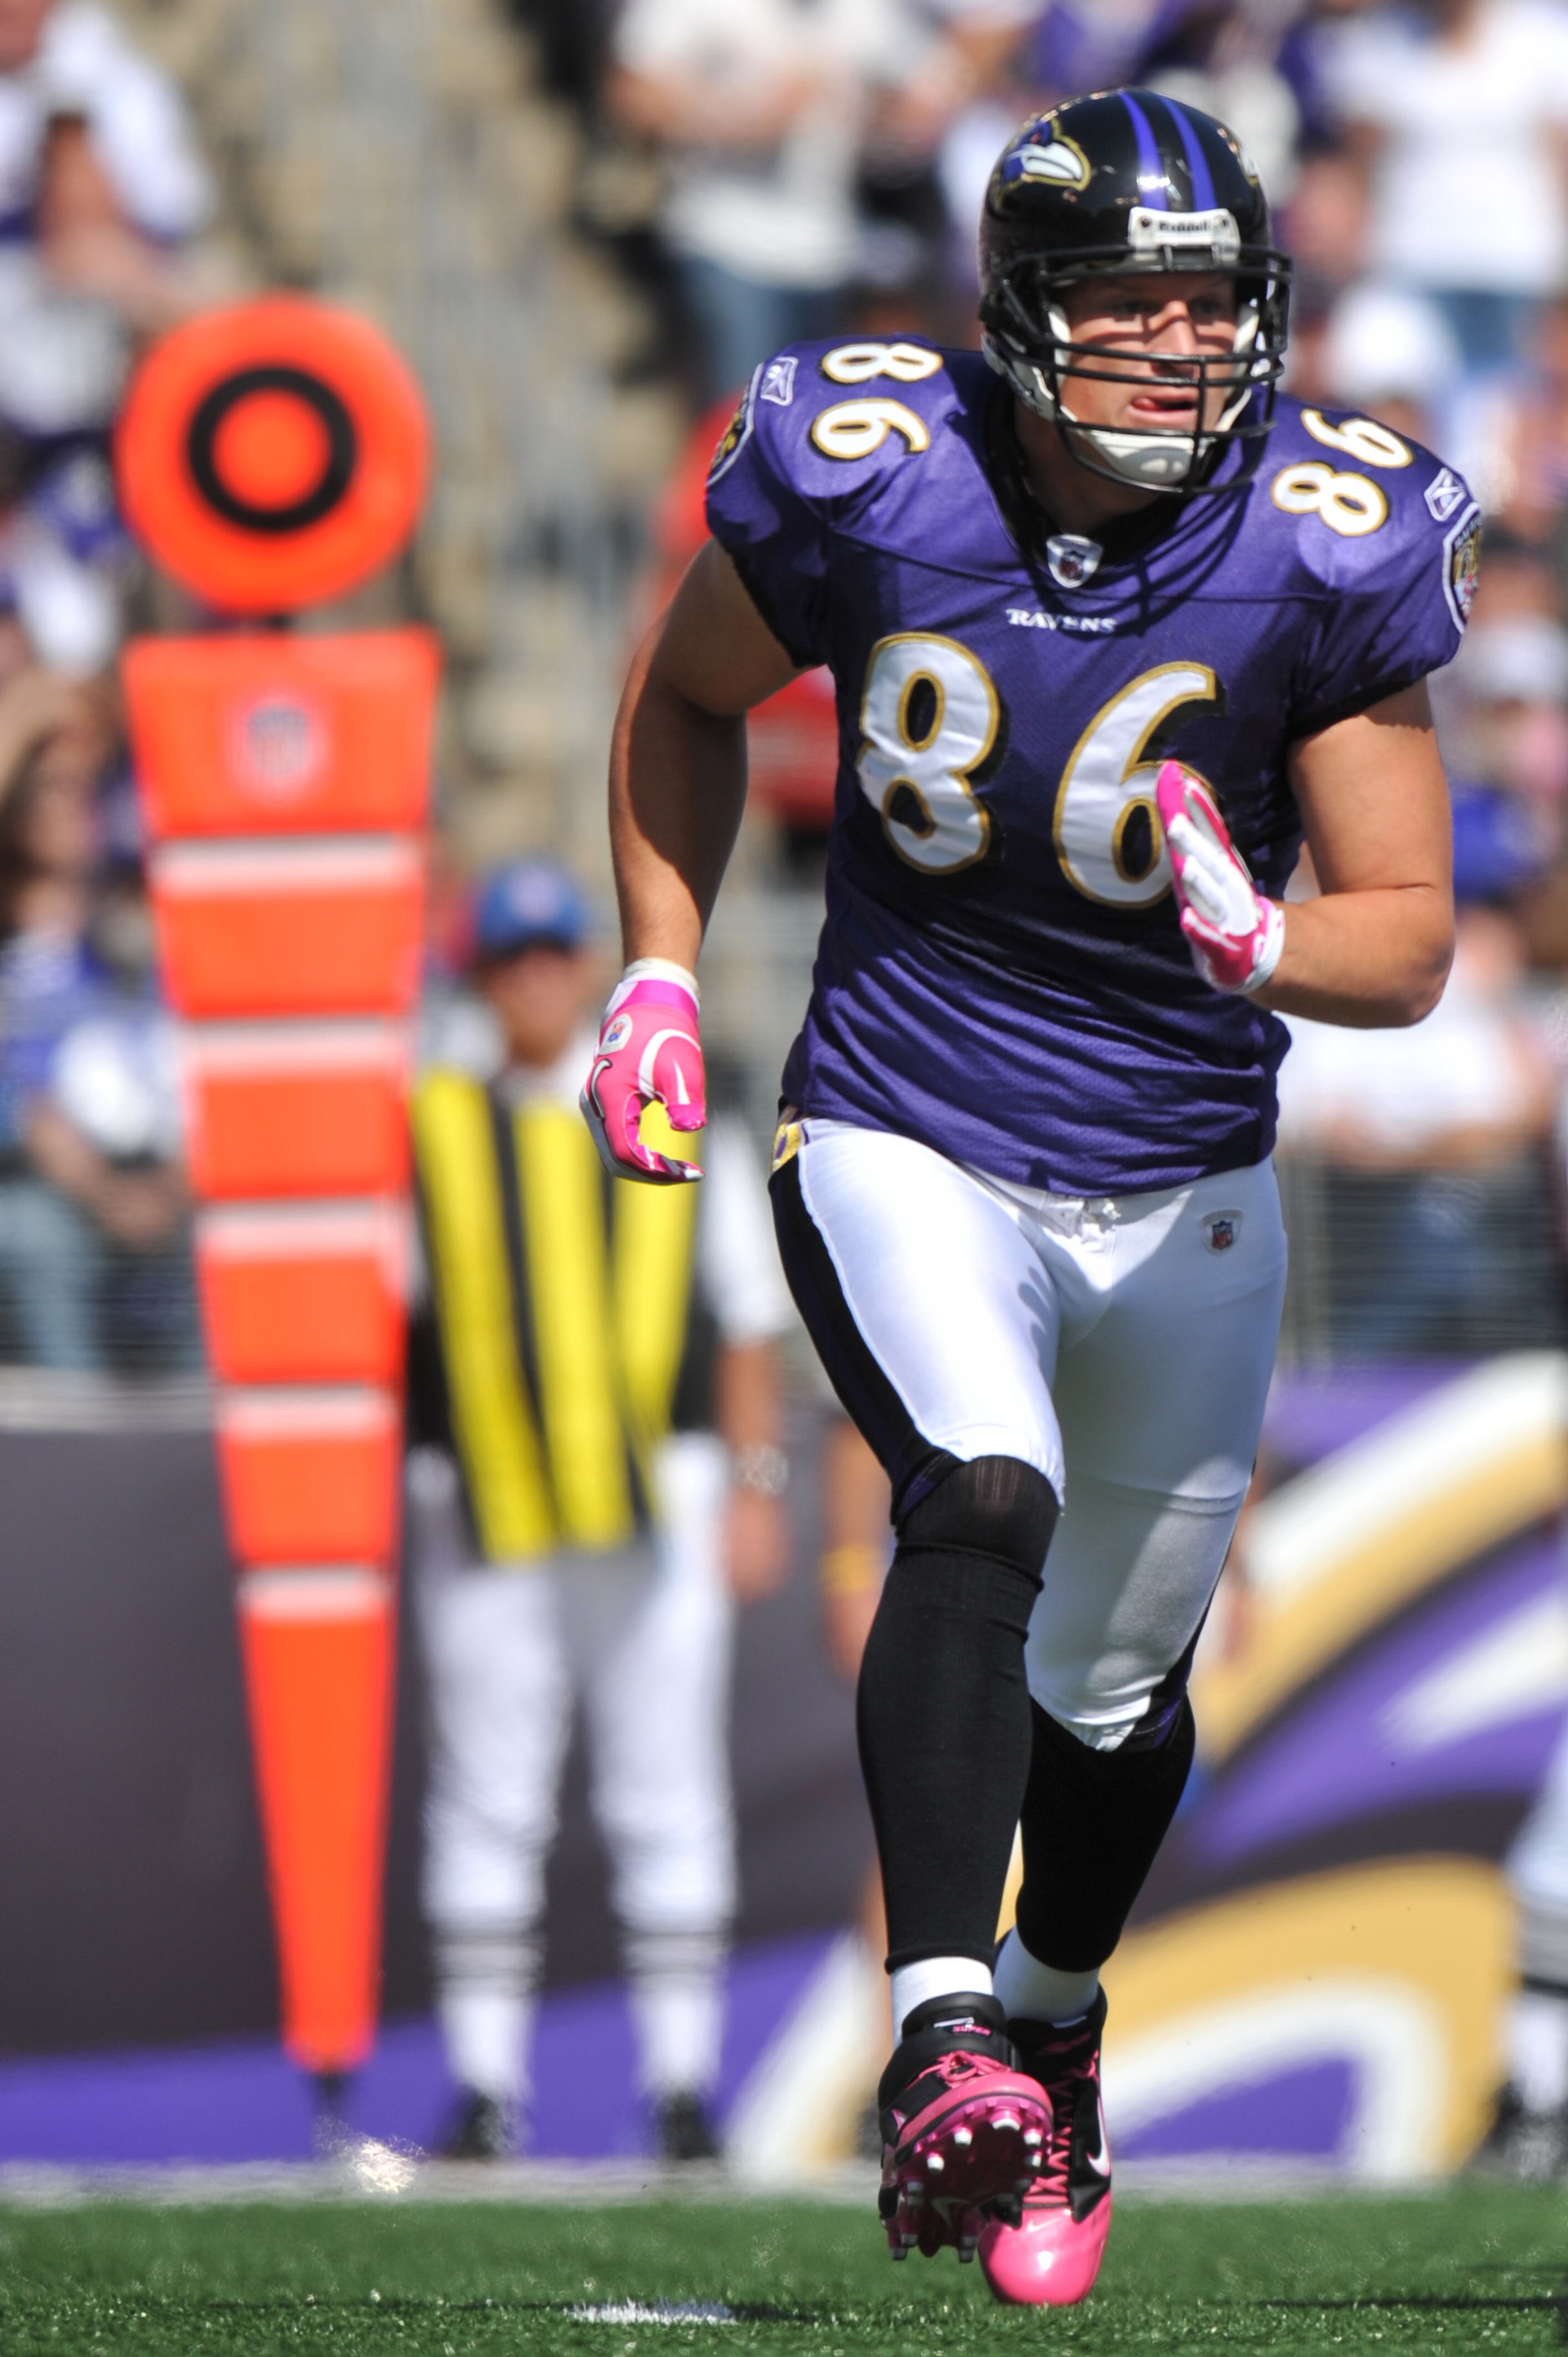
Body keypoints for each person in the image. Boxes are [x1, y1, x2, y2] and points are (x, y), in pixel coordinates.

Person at [584, 89, 1465, 2302]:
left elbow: (1413, 925)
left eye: (1207, 303)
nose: (1174, 348)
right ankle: (939, 2026)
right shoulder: (878, 465)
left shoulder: (1320, 524)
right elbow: (687, 695)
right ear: (1017, 312)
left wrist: (1262, 945)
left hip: (1184, 1175)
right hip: (908, 1114)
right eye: (1126, 303)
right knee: (977, 1493)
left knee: (1116, 1687)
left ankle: (1053, 2011)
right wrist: (664, 970)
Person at [408, 857, 792, 2162]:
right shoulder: (432, 1126)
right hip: (487, 1495)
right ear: (480, 975)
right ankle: (481, 2090)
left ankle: (683, 2088)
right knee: (486, 1789)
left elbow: (747, 1324)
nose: (535, 975)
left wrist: (754, 1486)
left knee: (667, 1783)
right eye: (510, 956)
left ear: (585, 962)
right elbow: (383, 1325)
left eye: (554, 951)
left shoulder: (669, 1104)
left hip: (661, 1488)